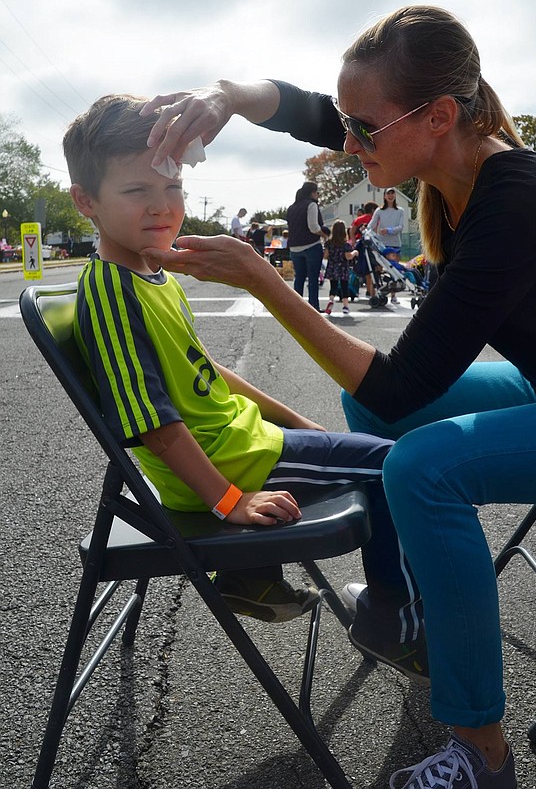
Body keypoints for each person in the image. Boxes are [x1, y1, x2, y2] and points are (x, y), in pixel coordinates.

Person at [141, 4, 536, 788]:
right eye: (348, 124)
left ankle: (484, 752)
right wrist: (227, 96)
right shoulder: (447, 162)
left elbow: (407, 380)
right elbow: (312, 111)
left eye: (364, 129)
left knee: (421, 465)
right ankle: (409, 607)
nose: (348, 143)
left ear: (439, 115)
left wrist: (266, 281)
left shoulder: (518, 195)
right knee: (377, 418)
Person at [63, 94, 428, 658]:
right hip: (228, 464)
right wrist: (229, 501)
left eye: (173, 188)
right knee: (399, 466)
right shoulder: (111, 291)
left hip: (246, 445)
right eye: (137, 191)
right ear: (85, 201)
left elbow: (210, 373)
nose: (162, 207)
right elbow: (151, 423)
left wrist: (300, 422)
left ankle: (251, 577)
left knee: (382, 455)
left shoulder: (151, 274)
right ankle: (393, 622)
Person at [285, 181, 327, 311]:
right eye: (317, 192)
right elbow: (313, 227)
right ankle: (313, 307)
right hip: (311, 245)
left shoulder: (291, 207)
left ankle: (297, 308)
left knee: (299, 278)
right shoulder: (311, 205)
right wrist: (325, 235)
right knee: (313, 279)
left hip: (294, 247)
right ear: (313, 192)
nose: (318, 195)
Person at [367, 188, 405, 303]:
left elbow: (400, 227)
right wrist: (367, 230)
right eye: (388, 193)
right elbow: (371, 225)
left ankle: (393, 295)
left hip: (394, 244)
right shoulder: (379, 211)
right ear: (384, 196)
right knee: (378, 268)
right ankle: (378, 292)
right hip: (382, 245)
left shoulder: (400, 211)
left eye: (393, 193)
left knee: (395, 270)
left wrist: (388, 230)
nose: (391, 196)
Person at [323, 219, 359, 315]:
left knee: (333, 286)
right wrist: (355, 252)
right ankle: (345, 306)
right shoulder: (346, 245)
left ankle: (331, 300)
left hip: (332, 267)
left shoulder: (329, 243)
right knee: (344, 286)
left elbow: (325, 255)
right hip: (343, 268)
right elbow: (348, 256)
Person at [349, 200, 379, 298]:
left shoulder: (358, 219)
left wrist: (353, 242)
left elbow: (352, 231)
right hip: (372, 244)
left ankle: (367, 290)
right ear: (373, 210)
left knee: (365, 267)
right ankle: (373, 290)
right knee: (375, 267)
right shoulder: (375, 219)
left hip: (360, 245)